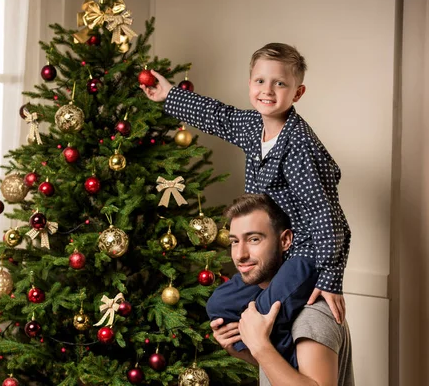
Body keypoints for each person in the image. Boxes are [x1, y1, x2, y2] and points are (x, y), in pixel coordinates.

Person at [141, 43, 351, 367]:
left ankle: (285, 358)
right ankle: (255, 348)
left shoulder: (298, 146)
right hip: (272, 250)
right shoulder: (254, 127)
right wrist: (170, 95)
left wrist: (330, 278)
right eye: (260, 81)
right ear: (250, 83)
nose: (268, 90)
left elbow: (329, 217)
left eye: (280, 83)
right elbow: (217, 117)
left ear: (297, 92)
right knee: (220, 304)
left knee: (268, 311)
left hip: (304, 251)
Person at [211, 194, 354, 385]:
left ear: (285, 240)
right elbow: (283, 371)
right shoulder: (264, 302)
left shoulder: (312, 314)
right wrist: (242, 349)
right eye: (235, 241)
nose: (240, 255)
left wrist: (259, 345)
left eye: (254, 239)